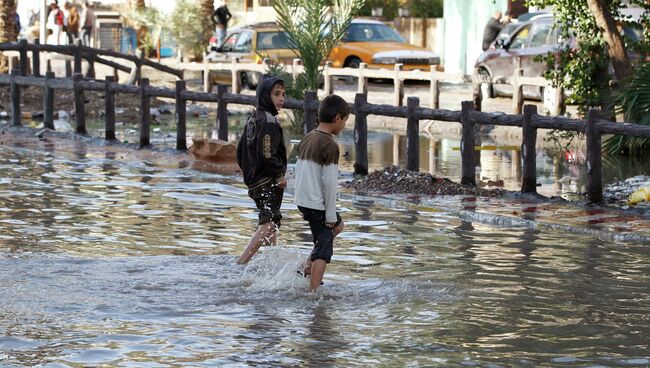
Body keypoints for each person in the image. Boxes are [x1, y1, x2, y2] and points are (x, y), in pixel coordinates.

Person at [293, 95, 349, 291]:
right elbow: (330, 184)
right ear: (338, 118)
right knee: (324, 248)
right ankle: (312, 292)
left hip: (303, 199)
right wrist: (330, 215)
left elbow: (299, 169)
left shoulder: (309, 136)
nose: (343, 126)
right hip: (316, 202)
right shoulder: (330, 145)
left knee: (338, 227)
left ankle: (303, 271)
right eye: (345, 121)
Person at [236, 74, 288, 265]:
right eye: (276, 94)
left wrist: (248, 173)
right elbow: (267, 153)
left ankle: (272, 259)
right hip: (267, 180)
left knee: (271, 220)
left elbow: (240, 150)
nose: (281, 98)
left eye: (283, 94)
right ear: (265, 96)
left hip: (255, 180)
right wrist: (278, 175)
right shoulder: (268, 121)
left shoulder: (254, 118)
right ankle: (242, 262)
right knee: (270, 221)